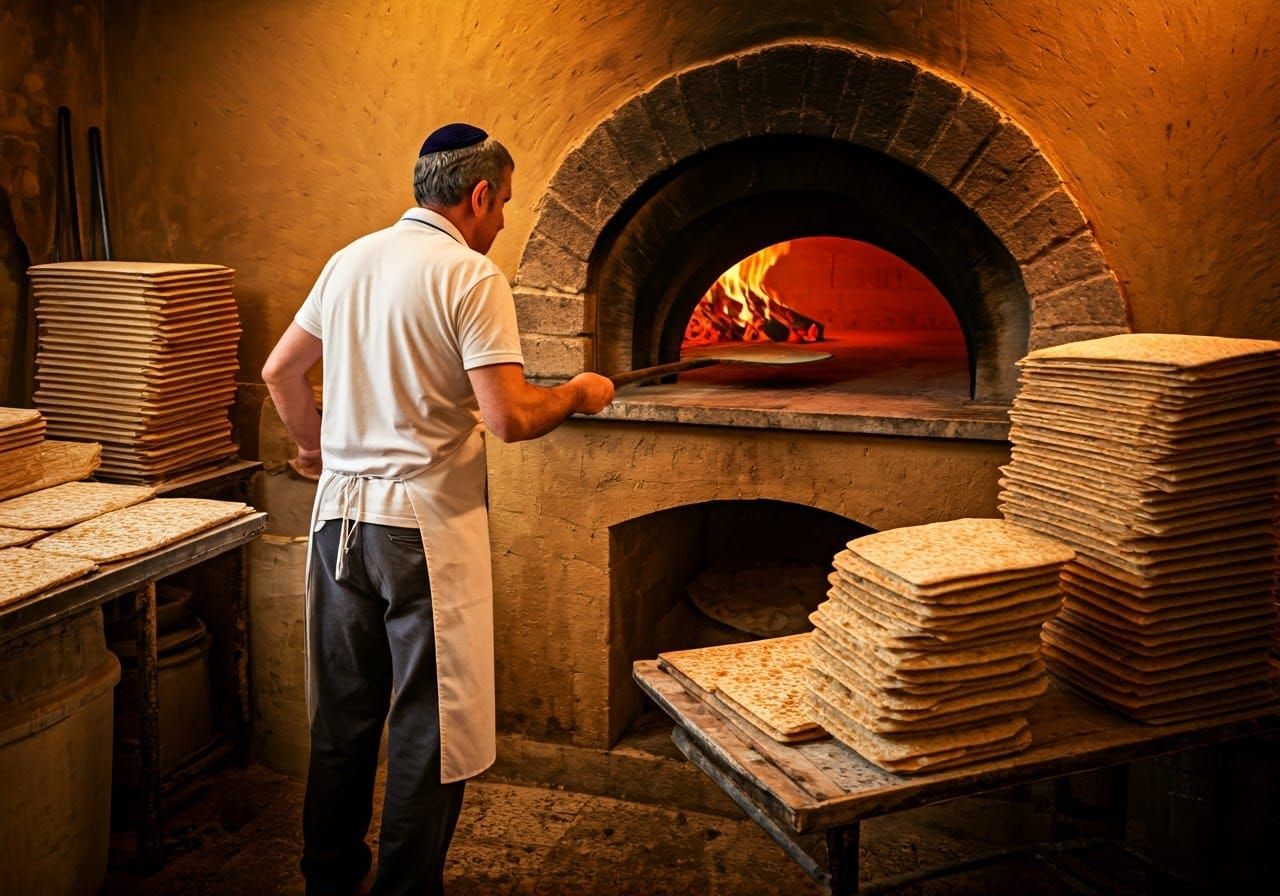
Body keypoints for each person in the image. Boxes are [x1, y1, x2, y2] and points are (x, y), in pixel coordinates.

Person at [261, 122, 615, 896]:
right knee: (432, 724)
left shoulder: (350, 260)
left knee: (343, 718)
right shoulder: (468, 276)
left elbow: (280, 371)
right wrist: (581, 393)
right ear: (478, 194)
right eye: (503, 207)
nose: (500, 225)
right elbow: (509, 418)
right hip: (418, 530)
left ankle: (329, 880)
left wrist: (315, 451)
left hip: (336, 526)